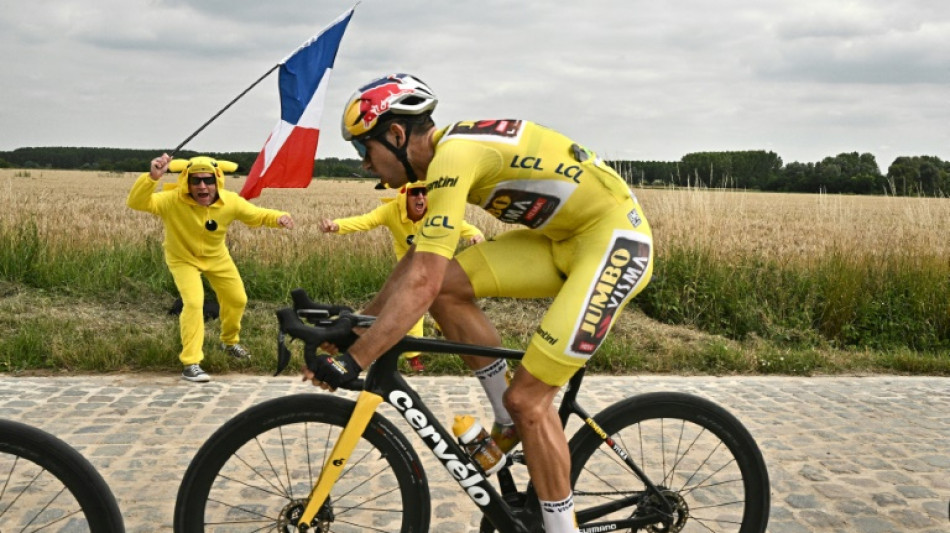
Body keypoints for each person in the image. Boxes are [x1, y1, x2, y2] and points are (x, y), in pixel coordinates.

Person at [303, 73, 653, 533]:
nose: (365, 165)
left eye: (362, 148)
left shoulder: (455, 156)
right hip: (560, 240)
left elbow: (420, 283)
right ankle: (506, 419)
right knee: (450, 288)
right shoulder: (447, 159)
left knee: (531, 398)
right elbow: (420, 263)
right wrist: (356, 327)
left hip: (613, 242)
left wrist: (355, 360)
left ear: (396, 134)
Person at [128, 154, 295, 383]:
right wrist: (152, 177)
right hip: (182, 259)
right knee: (194, 303)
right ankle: (191, 363)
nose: (202, 186)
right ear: (186, 182)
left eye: (208, 180)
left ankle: (229, 343)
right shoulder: (171, 200)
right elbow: (137, 203)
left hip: (217, 258)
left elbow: (256, 215)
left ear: (218, 181)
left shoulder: (231, 201)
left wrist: (279, 218)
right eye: (195, 181)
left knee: (237, 299)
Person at [318, 180, 485, 372]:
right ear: (405, 195)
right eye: (415, 193)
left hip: (436, 259)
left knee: (441, 297)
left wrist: (475, 235)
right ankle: (413, 355)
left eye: (424, 192)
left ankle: (442, 327)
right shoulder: (391, 211)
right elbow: (365, 221)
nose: (421, 197)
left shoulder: (436, 211)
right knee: (413, 304)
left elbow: (462, 226)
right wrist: (336, 226)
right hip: (408, 263)